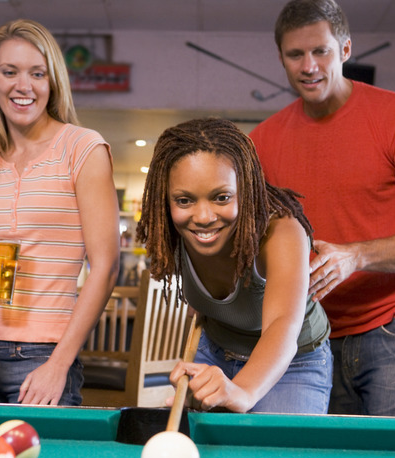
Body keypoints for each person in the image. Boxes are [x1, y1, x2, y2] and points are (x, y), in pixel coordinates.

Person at [249, 0, 395, 417]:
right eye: (295, 54)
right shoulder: (262, 141)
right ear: (281, 59)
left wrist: (355, 256)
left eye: (321, 51)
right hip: (309, 335)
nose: (308, 66)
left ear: (345, 50)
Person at [0, 19, 119, 405]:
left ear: (52, 82)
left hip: (43, 354)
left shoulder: (83, 149)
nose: (22, 86)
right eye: (9, 72)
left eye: (37, 73)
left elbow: (106, 267)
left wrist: (60, 364)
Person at [136, 117, 332, 414]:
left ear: (246, 189)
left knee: (276, 457)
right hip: (214, 352)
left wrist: (241, 390)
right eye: (185, 200)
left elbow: (282, 326)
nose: (203, 216)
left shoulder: (281, 231)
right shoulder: (172, 232)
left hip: (294, 362)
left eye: (222, 197)